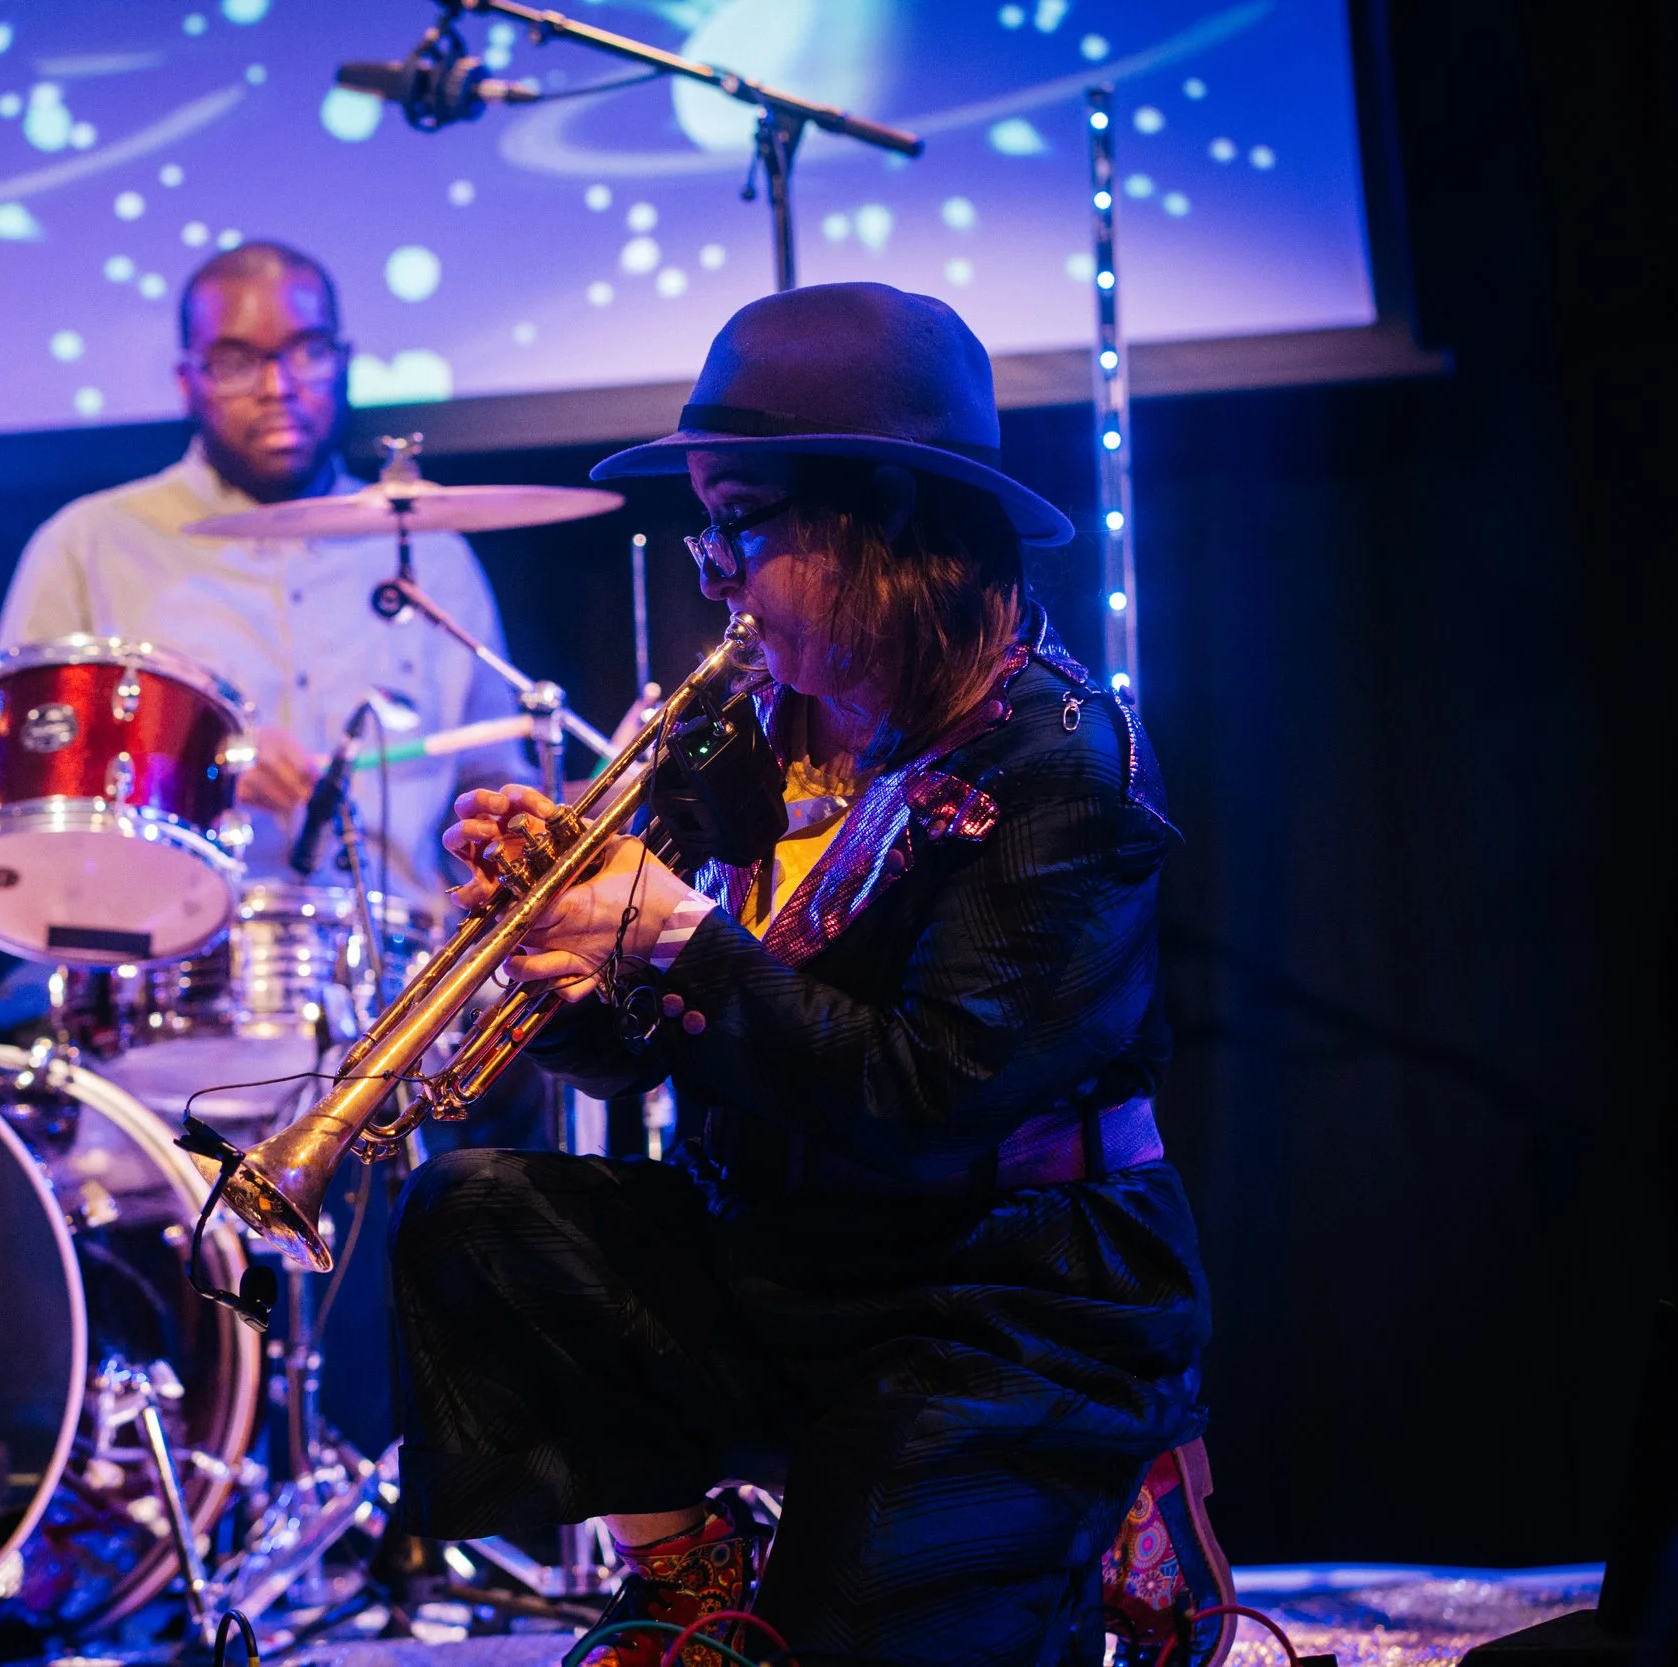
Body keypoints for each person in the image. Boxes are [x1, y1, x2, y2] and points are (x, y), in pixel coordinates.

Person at [388, 284, 1230, 1667]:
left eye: (742, 518)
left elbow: (925, 1094)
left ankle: (1114, 1502)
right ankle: (691, 1580)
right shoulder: (744, 729)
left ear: (880, 520)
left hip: (1003, 1300)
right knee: (478, 1209)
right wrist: (572, 958)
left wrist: (672, 933)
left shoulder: (1063, 768)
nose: (710, 566)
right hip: (788, 1257)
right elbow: (651, 1052)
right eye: (703, 522)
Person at [0, 239, 524, 911]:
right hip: (167, 964)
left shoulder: (429, 548)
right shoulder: (90, 543)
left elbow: (494, 772)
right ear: (188, 380)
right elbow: (20, 777)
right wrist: (199, 767)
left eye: (307, 351)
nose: (278, 388)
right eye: (237, 362)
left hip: (406, 971)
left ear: (345, 363)